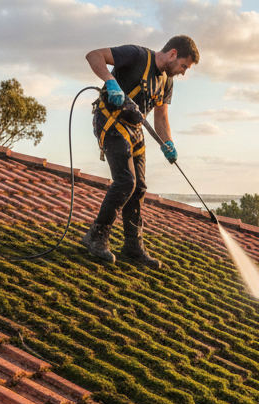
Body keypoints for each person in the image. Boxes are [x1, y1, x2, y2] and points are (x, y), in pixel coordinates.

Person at [82, 36, 198, 268]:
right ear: (173, 54)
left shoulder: (167, 82)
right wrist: (110, 81)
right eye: (184, 66)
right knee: (126, 181)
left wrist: (169, 144)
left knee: (140, 187)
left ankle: (133, 247)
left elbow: (161, 118)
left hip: (134, 130)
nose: (184, 72)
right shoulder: (136, 55)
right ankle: (95, 236)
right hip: (111, 121)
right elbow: (94, 55)